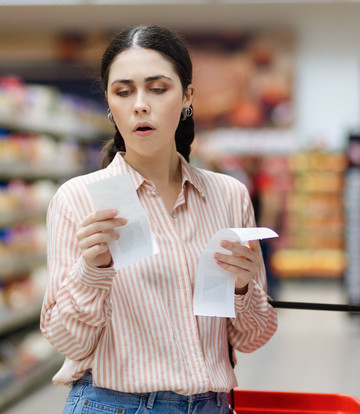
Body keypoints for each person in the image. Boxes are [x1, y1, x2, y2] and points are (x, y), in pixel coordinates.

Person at [40, 25, 278, 414]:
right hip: (112, 405)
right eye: (123, 91)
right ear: (108, 103)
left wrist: (241, 288)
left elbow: (253, 338)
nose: (139, 105)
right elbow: (69, 345)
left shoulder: (228, 196)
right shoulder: (78, 200)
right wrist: (92, 270)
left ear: (187, 97)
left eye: (157, 88)